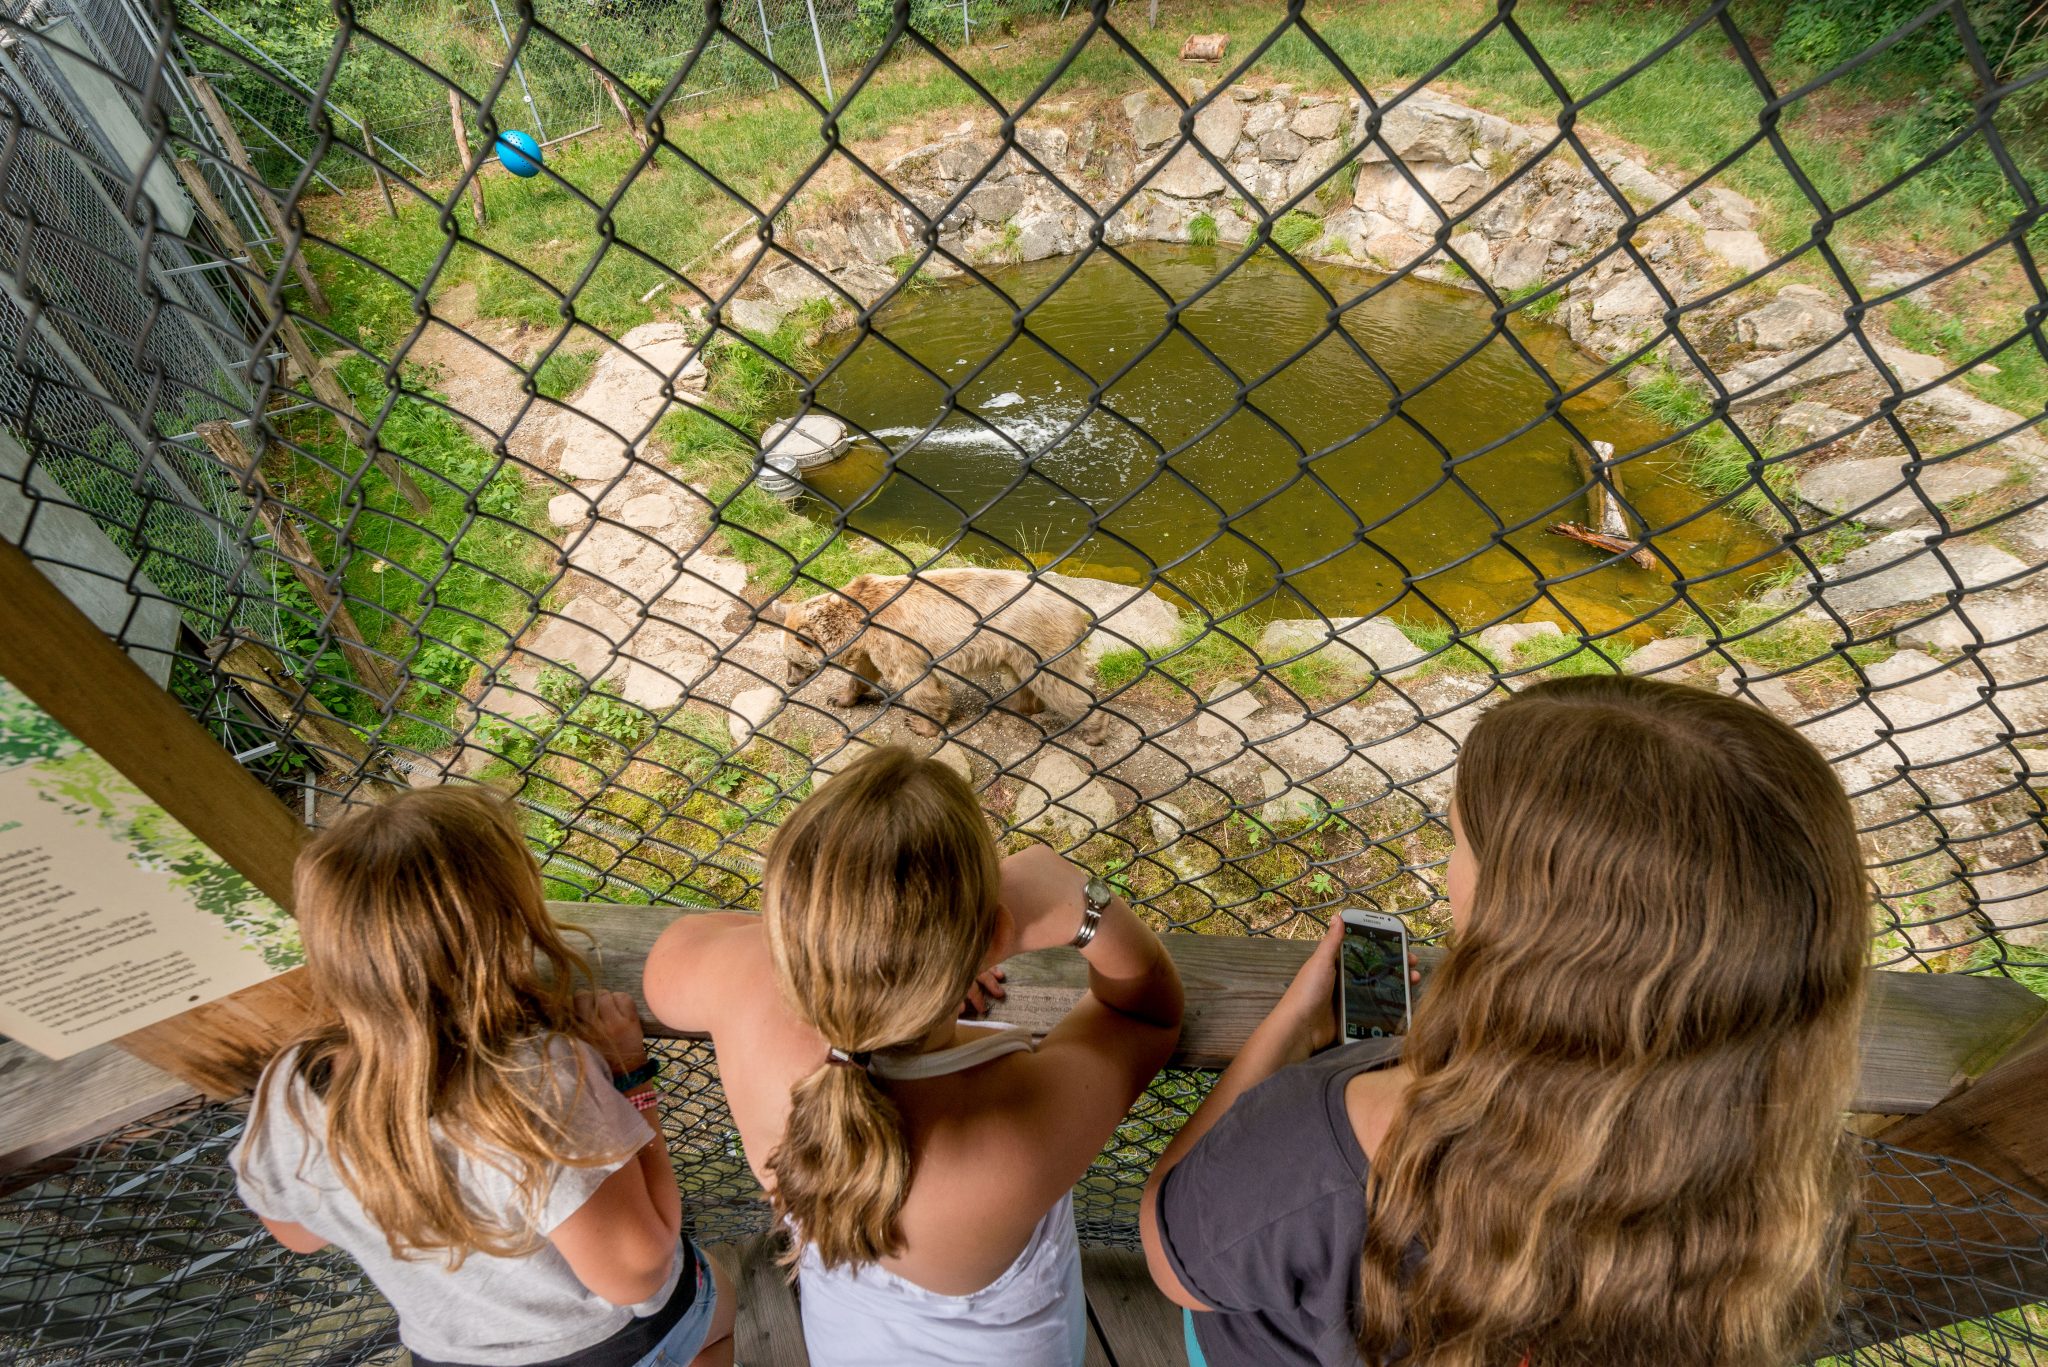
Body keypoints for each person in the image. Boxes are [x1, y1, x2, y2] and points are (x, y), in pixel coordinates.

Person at [1142, 675, 1870, 1367]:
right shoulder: (1789, 1182)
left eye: (1461, 842)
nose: (1448, 865)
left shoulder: (1325, 1139)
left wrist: (1289, 1032)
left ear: (1532, 919)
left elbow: (1173, 1256)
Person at [644, 745, 1184, 1366]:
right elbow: (1144, 1012)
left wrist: (856, 954)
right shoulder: (1012, 1131)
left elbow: (670, 957)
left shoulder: (742, 989)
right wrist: (1082, 907)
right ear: (994, 939)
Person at [231, 786, 736, 1367]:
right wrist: (629, 1080)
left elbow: (297, 1233)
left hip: (449, 1352)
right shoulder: (536, 1078)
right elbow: (637, 1272)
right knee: (725, 1307)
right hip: (602, 1346)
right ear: (503, 925)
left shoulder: (292, 1082)